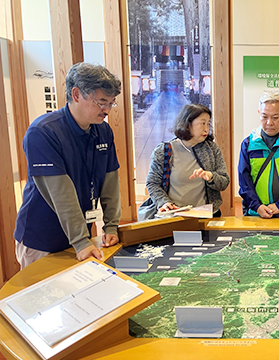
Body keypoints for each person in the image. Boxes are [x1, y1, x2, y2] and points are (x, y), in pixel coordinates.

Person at [14, 62, 122, 269]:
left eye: (111, 103)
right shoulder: (43, 132)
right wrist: (81, 240)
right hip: (43, 238)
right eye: (101, 102)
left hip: (80, 234)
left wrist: (111, 226)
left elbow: (110, 182)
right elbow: (60, 192)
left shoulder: (103, 131)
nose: (107, 110)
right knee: (44, 297)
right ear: (76, 94)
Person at [139, 103, 230, 220]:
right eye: (202, 123)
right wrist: (164, 202)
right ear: (188, 124)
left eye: (208, 123)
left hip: (206, 216)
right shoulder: (164, 150)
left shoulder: (212, 149)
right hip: (175, 217)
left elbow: (224, 182)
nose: (206, 128)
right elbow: (152, 183)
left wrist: (210, 176)